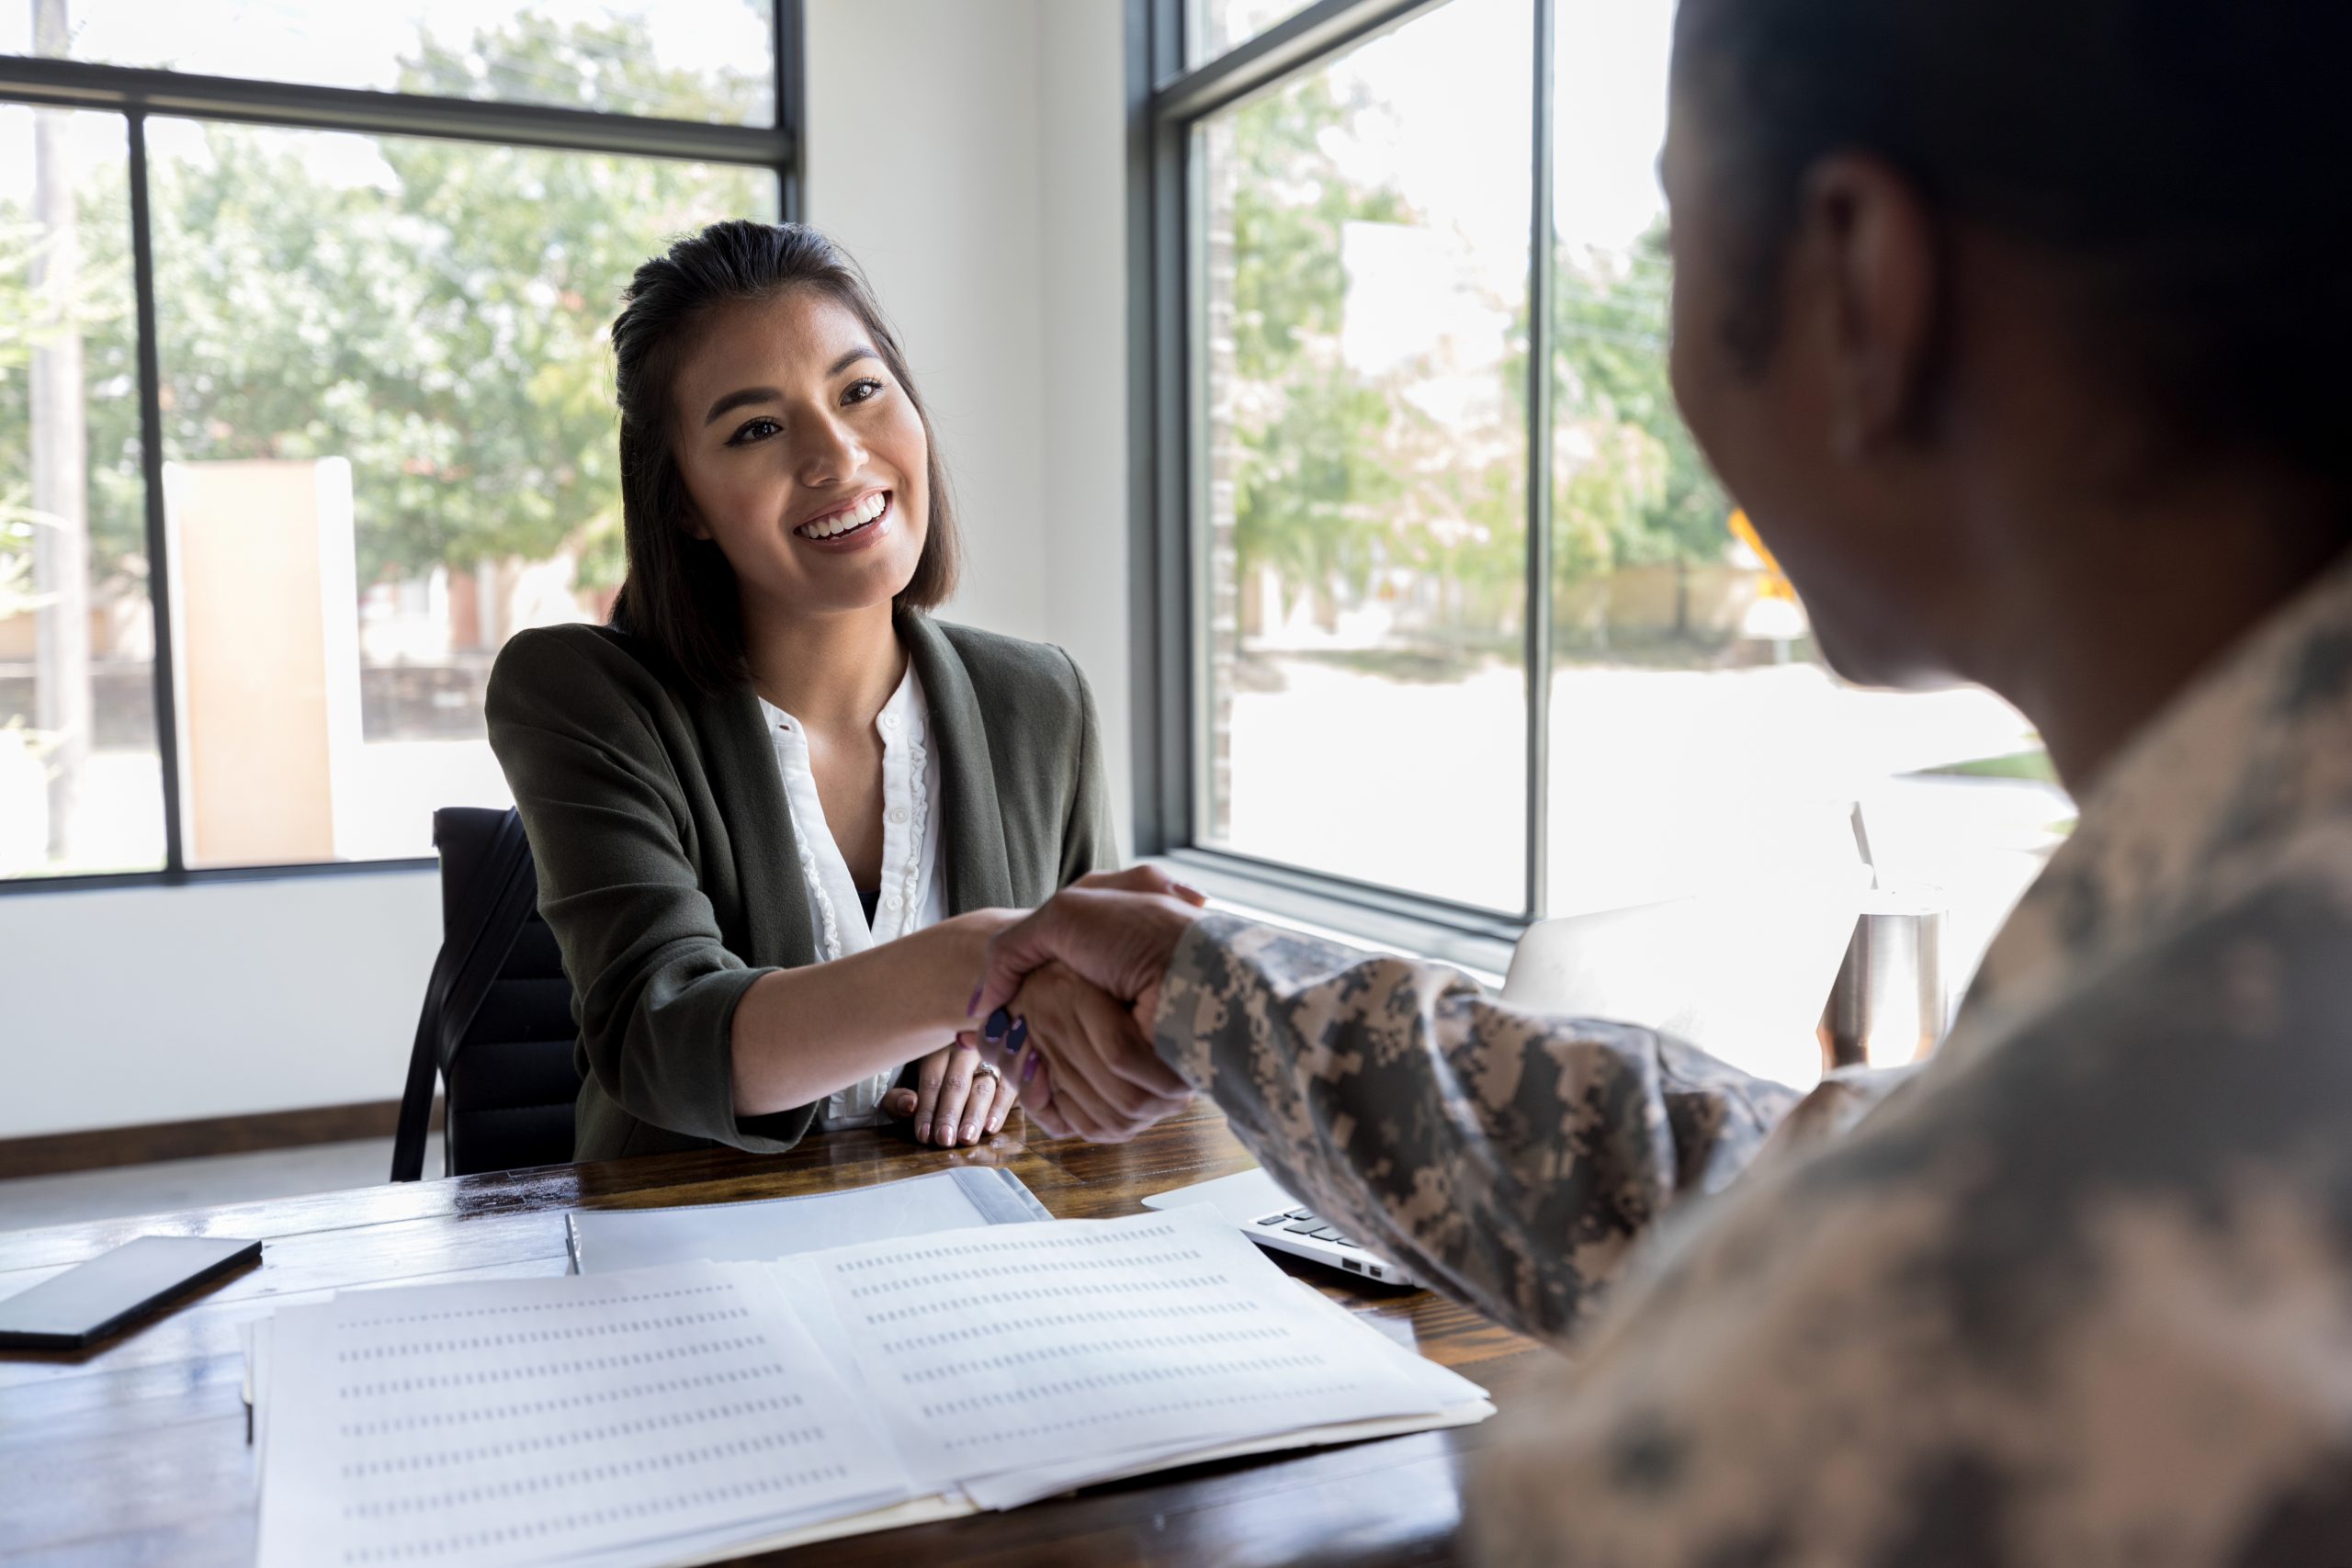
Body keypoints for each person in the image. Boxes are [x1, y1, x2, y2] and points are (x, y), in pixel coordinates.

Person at [967, 0, 2352, 1560]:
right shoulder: (2231, 948)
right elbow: (1777, 1176)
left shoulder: (1925, 1340)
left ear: (1858, 290)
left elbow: (1877, 1249)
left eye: (1675, 222)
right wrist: (1214, 984)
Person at [487, 220, 1172, 1160]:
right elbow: (657, 1038)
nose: (837, 457)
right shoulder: (582, 694)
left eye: (859, 391)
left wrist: (1013, 1053)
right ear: (680, 499)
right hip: (695, 1260)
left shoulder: (1041, 700)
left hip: (981, 1247)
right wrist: (973, 974)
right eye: (757, 428)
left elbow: (1090, 1009)